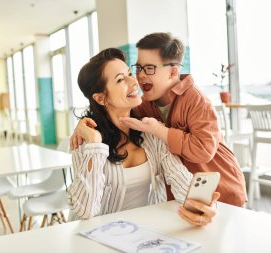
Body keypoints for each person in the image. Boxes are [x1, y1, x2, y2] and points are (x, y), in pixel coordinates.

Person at [71, 33, 246, 207]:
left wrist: (159, 130)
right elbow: (113, 113)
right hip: (187, 196)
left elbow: (202, 151)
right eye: (138, 69)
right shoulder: (146, 104)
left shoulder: (196, 101)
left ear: (173, 72)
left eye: (148, 69)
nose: (137, 78)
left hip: (222, 188)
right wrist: (85, 126)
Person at [68, 48, 219, 226]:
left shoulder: (150, 133)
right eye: (120, 80)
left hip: (140, 235)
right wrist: (94, 144)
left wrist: (203, 205)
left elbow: (180, 180)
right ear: (101, 98)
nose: (134, 81)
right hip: (93, 239)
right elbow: (85, 211)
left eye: (130, 73)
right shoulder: (85, 140)